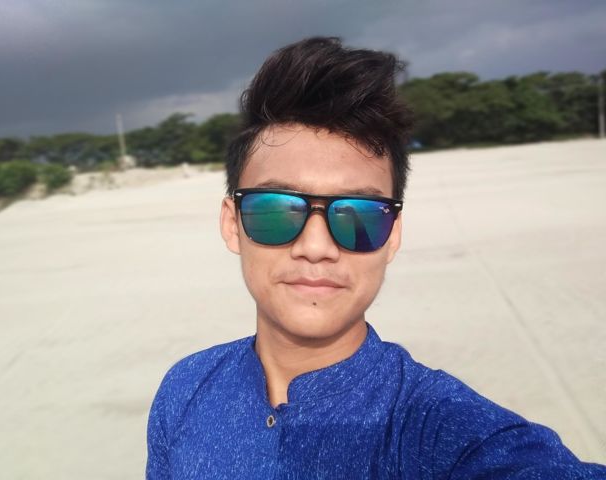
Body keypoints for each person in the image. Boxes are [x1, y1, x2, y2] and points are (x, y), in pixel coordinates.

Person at [146, 37, 606, 479]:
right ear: (232, 223)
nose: (316, 247)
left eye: (359, 216)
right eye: (276, 211)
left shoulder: (440, 427)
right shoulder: (185, 388)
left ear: (392, 237)